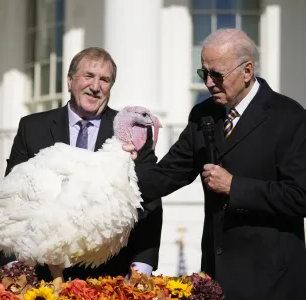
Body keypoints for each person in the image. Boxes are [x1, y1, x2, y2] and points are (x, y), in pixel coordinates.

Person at [126, 29, 306, 300]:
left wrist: (235, 187)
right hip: (216, 279)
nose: (209, 83)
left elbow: (299, 196)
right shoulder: (203, 115)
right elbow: (167, 174)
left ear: (247, 71)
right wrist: (115, 183)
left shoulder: (289, 117)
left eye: (217, 75)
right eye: (203, 73)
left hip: (272, 281)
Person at [1, 47, 163, 281]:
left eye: (104, 80)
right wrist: (14, 268)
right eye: (88, 76)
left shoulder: (131, 131)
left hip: (109, 277)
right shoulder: (32, 128)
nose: (95, 86)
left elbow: (150, 198)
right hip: (40, 276)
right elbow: (12, 199)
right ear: (69, 81)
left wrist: (141, 268)